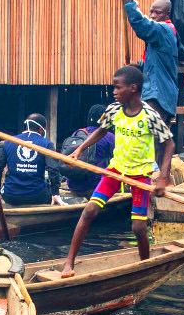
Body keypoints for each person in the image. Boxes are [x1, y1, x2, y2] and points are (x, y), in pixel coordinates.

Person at [60, 64, 173, 277]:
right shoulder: (113, 110)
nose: (113, 91)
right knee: (89, 211)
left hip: (141, 173)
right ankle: (68, 263)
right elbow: (101, 131)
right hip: (116, 170)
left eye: (117, 87)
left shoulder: (150, 115)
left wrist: (162, 178)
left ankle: (144, 266)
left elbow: (169, 144)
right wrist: (79, 150)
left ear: (133, 88)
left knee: (138, 228)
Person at [116, 0, 179, 123]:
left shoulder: (164, 30)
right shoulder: (161, 36)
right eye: (151, 11)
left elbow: (142, 25)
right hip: (160, 94)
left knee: (151, 138)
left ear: (166, 14)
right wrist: (137, 66)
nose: (152, 15)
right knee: (155, 140)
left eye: (157, 13)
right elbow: (155, 65)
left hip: (157, 95)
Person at [0, 114, 57, 205]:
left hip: (10, 196)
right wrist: (56, 193)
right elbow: (53, 169)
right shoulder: (47, 144)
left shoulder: (8, 142)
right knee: (47, 190)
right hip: (37, 196)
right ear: (41, 129)